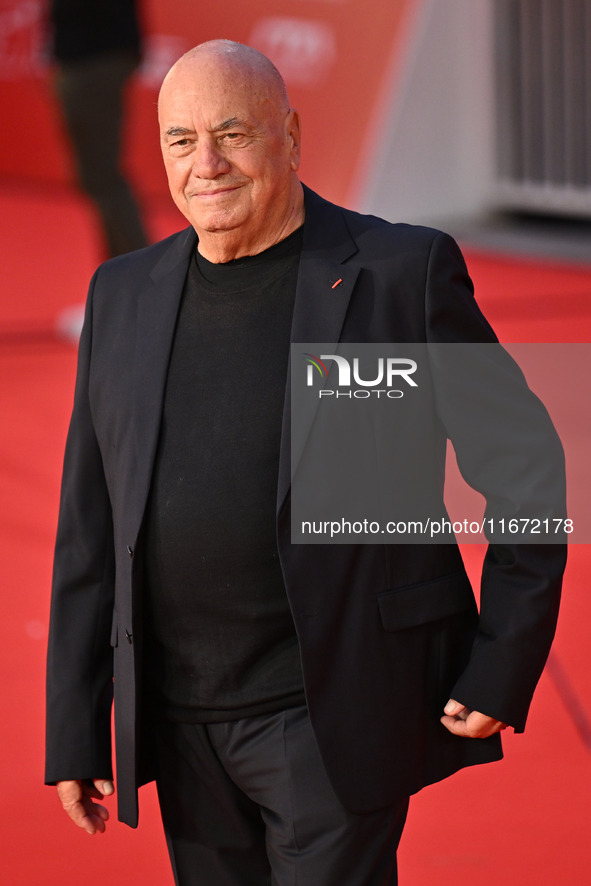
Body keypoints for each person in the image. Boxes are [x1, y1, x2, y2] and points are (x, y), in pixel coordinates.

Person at [45, 40, 567, 886]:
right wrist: (76, 722)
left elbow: (527, 467)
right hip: (181, 730)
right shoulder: (122, 294)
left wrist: (501, 656)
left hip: (331, 717)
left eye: (231, 134)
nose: (205, 164)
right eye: (180, 140)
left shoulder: (400, 273)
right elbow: (90, 527)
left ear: (289, 133)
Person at [49, 0, 149, 259]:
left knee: (102, 175)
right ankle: (124, 266)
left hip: (92, 58)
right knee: (97, 175)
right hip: (92, 55)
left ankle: (141, 266)